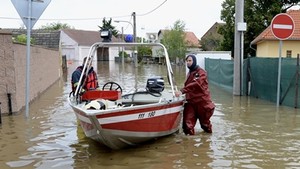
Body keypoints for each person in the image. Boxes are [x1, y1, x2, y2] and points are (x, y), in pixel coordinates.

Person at [175, 54, 215, 134]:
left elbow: (196, 84)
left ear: (194, 61)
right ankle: (189, 144)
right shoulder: (189, 73)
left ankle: (207, 142)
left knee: (205, 125)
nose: (188, 63)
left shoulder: (201, 73)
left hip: (202, 102)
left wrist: (182, 91)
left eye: (190, 61)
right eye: (187, 61)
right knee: (187, 127)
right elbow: (189, 86)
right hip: (191, 102)